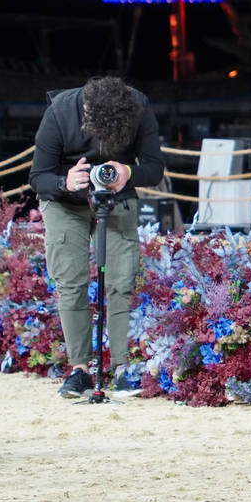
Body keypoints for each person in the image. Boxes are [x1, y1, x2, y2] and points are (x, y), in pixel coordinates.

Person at [28, 76, 165, 398]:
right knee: (70, 282)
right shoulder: (60, 112)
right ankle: (80, 370)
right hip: (65, 202)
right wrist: (65, 182)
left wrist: (127, 172)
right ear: (86, 110)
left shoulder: (138, 106)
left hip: (116, 196)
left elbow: (155, 168)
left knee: (121, 280)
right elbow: (38, 177)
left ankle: (122, 368)